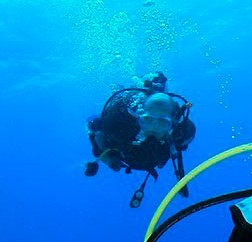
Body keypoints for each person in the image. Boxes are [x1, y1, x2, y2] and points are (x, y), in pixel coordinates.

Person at [84, 72, 196, 207]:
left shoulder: (181, 133)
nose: (154, 128)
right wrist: (108, 158)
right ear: (139, 117)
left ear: (172, 124)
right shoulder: (118, 124)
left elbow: (181, 146)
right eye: (148, 120)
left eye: (162, 123)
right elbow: (93, 124)